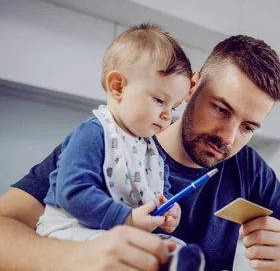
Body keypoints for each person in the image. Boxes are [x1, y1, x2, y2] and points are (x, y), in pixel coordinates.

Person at [0, 34, 280, 271]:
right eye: (220, 108)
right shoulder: (107, 141)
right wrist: (73, 260)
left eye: (248, 126)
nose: (229, 138)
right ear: (192, 85)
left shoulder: (247, 167)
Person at [35, 23, 189, 243]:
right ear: (118, 86)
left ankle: (173, 264)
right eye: (159, 100)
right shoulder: (93, 134)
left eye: (173, 108)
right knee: (123, 248)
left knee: (176, 245)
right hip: (70, 230)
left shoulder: (152, 150)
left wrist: (169, 209)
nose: (167, 116)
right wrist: (126, 218)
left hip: (115, 235)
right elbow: (72, 192)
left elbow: (159, 191)